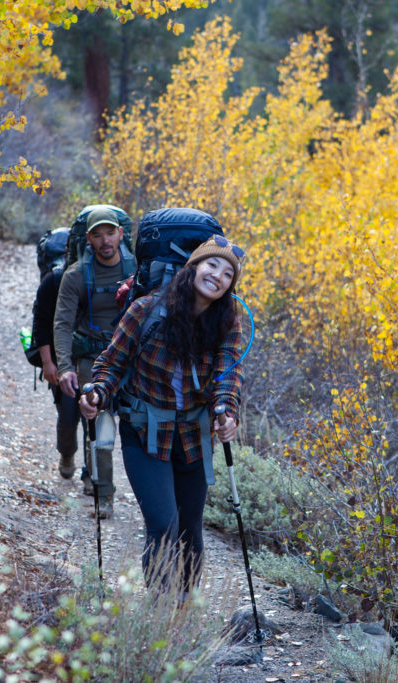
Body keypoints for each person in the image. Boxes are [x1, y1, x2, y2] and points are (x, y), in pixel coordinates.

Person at [79, 234, 245, 594]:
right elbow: (111, 362)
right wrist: (97, 393)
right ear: (194, 267)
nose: (217, 276)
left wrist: (226, 412)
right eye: (211, 264)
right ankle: (159, 608)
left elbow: (228, 375)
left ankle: (183, 606)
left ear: (231, 285)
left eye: (227, 274)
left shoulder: (228, 322)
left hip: (194, 438)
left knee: (190, 529)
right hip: (144, 433)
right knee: (162, 524)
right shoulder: (145, 309)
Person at [54, 206, 135, 519]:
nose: (105, 241)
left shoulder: (136, 268)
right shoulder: (76, 275)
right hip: (90, 358)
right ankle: (104, 494)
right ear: (88, 238)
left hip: (128, 358)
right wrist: (64, 368)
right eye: (98, 235)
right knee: (98, 425)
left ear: (120, 233)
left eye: (110, 233)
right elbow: (62, 323)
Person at [27, 229, 79, 481]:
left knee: (97, 420)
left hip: (97, 357)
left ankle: (95, 476)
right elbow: (42, 323)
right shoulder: (55, 279)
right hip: (62, 358)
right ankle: (67, 454)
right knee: (68, 416)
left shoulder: (110, 276)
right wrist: (47, 363)